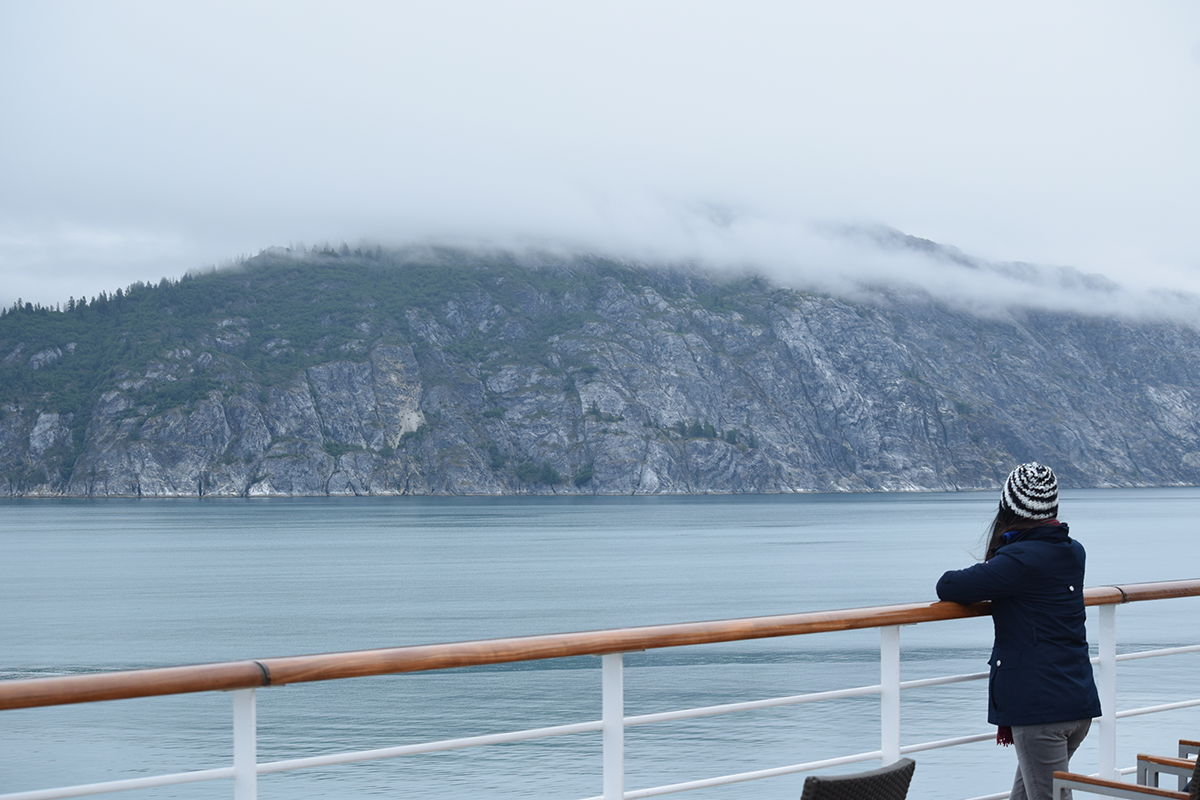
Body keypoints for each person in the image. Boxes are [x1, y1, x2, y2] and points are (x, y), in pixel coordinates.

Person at [936, 462, 1101, 800]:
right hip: (1076, 701)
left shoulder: (1019, 561)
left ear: (1008, 507)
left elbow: (949, 585)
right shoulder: (1073, 551)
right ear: (1052, 506)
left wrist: (998, 556)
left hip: (1042, 708)